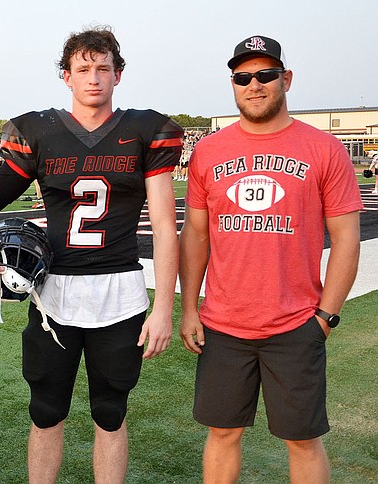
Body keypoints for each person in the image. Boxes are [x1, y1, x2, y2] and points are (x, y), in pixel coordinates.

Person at [0, 26, 183, 483]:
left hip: (121, 294)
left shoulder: (144, 131)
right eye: (83, 69)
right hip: (55, 297)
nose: (94, 78)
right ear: (66, 76)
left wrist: (164, 306)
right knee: (46, 412)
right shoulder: (41, 132)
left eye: (103, 68)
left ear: (118, 75)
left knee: (110, 413)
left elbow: (165, 227)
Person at [179, 35, 362, 483]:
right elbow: (196, 235)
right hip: (223, 324)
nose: (254, 85)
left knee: (302, 439)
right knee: (222, 433)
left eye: (265, 75)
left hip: (296, 323)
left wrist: (325, 316)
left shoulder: (323, 148)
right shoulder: (209, 150)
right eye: (243, 78)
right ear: (233, 84)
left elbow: (346, 239)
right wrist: (188, 309)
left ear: (286, 79)